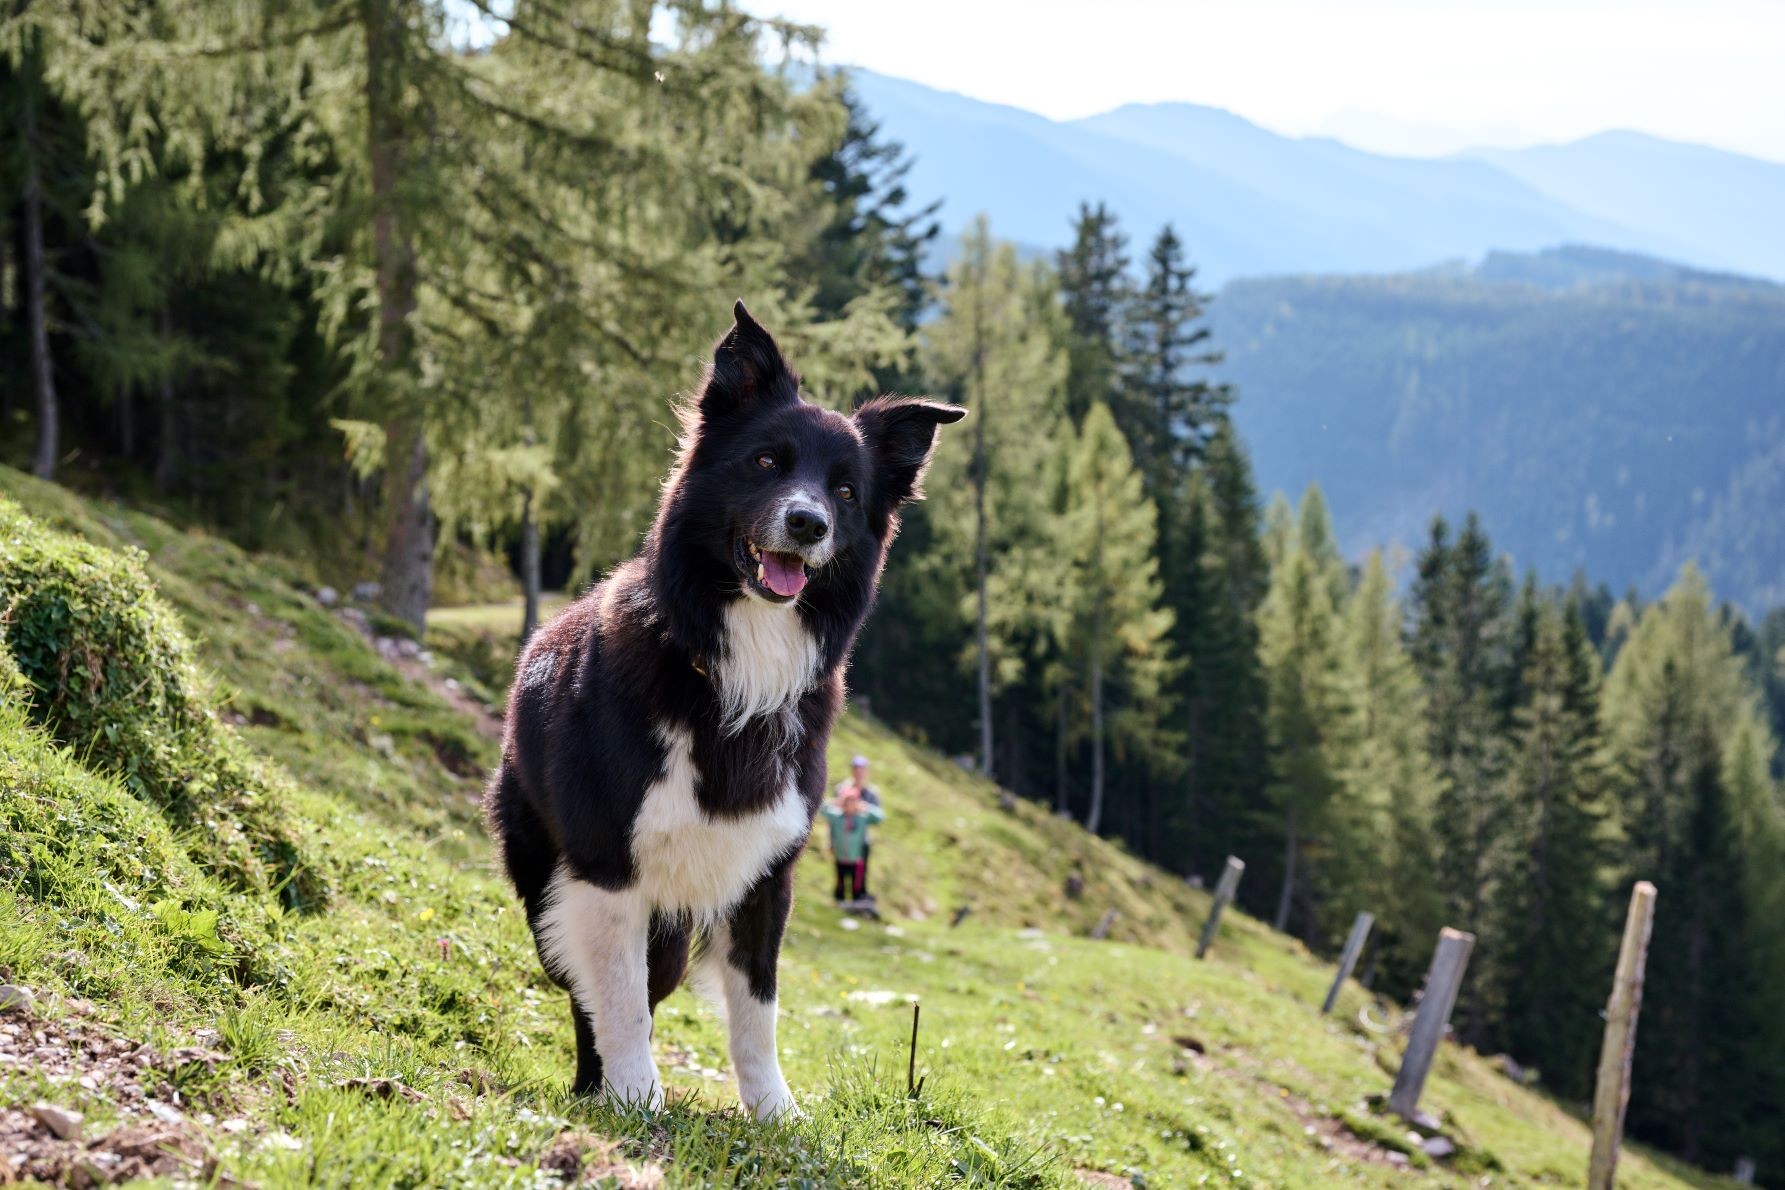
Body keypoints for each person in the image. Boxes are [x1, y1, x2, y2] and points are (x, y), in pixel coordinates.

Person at [821, 778, 883, 906]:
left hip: (857, 859)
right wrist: (835, 802)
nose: (849, 805)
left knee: (857, 883)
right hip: (840, 857)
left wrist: (866, 807)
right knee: (840, 882)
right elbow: (822, 809)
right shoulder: (836, 816)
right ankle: (840, 901)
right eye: (847, 802)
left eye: (852, 802)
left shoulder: (861, 818)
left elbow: (879, 817)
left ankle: (856, 902)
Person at [834, 755, 882, 898]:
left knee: (860, 872)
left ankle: (858, 897)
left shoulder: (871, 793)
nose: (858, 772)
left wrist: (864, 809)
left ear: (866, 771)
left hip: (861, 841)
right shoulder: (841, 789)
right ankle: (840, 898)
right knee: (840, 870)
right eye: (856, 769)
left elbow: (877, 817)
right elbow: (833, 815)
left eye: (861, 769)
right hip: (841, 839)